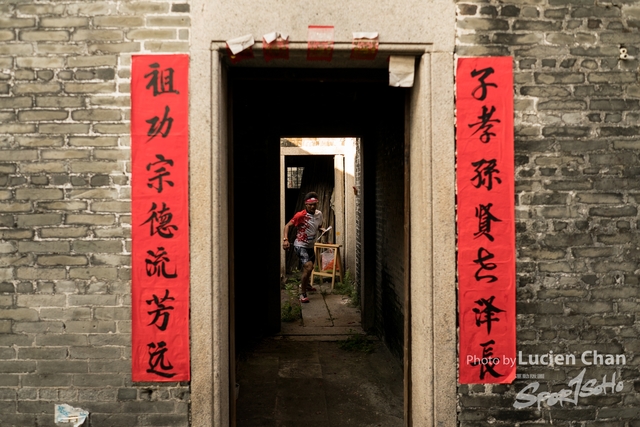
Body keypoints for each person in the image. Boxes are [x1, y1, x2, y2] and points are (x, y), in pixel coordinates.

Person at [283, 192, 324, 303]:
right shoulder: (300, 215)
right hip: (300, 245)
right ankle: (302, 293)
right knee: (308, 267)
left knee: (309, 268)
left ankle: (307, 285)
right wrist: (285, 239)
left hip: (310, 245)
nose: (312, 207)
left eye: (314, 204)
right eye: (310, 205)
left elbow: (319, 226)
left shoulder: (319, 214)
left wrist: (322, 230)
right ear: (306, 204)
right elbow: (287, 226)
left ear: (317, 203)